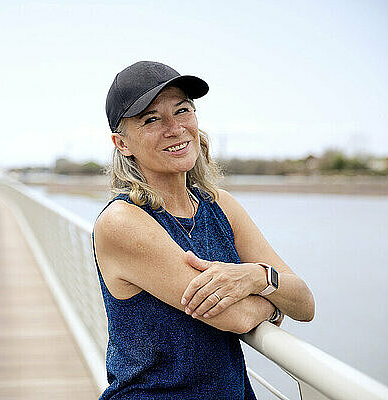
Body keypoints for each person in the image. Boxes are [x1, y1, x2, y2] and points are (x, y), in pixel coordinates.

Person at [92, 61, 315, 399]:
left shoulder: (220, 206)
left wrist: (257, 277)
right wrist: (275, 302)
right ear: (123, 144)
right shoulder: (122, 222)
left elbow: (305, 303)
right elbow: (235, 317)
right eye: (151, 119)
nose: (174, 128)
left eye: (182, 111)